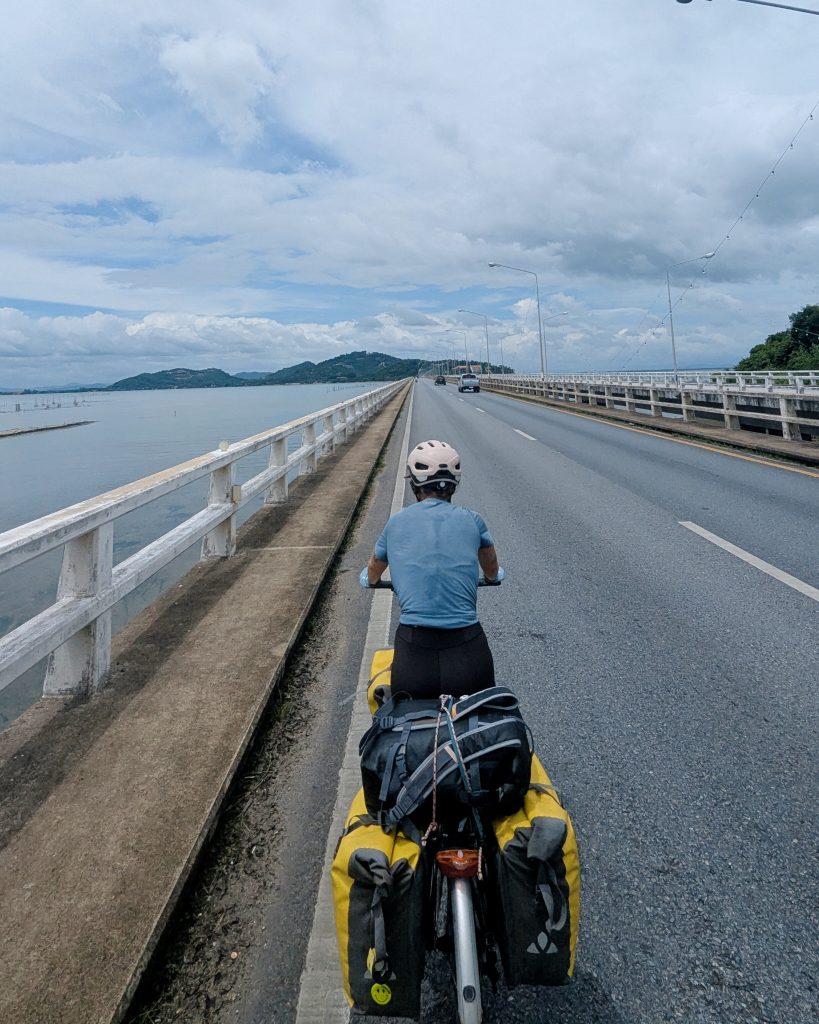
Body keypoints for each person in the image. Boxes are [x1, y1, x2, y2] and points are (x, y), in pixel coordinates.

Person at [360, 439, 504, 699]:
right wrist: (493, 578)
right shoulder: (473, 520)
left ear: (414, 484)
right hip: (468, 651)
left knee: (406, 727)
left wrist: (369, 581)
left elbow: (373, 570)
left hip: (414, 653)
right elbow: (491, 567)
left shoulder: (397, 523)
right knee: (482, 726)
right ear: (453, 485)